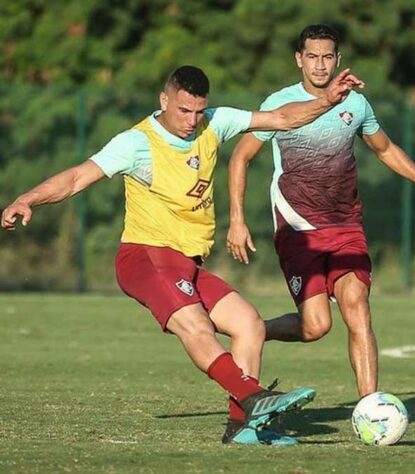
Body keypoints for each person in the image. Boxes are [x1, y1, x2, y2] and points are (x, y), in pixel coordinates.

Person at [1, 65, 362, 445]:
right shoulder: (136, 143)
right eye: (183, 111)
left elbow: (280, 118)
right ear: (164, 100)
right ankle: (252, 398)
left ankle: (243, 428)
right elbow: (76, 177)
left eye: (198, 111)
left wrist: (325, 100)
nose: (191, 121)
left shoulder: (213, 122)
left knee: (249, 323)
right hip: (146, 256)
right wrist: (28, 199)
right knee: (197, 326)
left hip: (186, 263)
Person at [227, 25, 415, 400]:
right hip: (299, 227)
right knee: (316, 327)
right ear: (299, 60)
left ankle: (370, 407)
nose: (319, 64)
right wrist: (237, 219)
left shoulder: (356, 103)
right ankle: (254, 329)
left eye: (327, 56)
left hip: (347, 224)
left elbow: (385, 148)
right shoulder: (279, 103)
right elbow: (241, 156)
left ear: (338, 59)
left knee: (358, 308)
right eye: (312, 56)